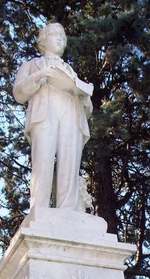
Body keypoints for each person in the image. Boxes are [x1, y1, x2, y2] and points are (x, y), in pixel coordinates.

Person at [13, 23, 93, 211]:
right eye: (54, 35)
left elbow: (88, 108)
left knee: (70, 166)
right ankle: (38, 209)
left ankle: (67, 210)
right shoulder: (32, 65)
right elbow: (18, 92)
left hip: (71, 114)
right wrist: (39, 76)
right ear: (43, 40)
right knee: (43, 163)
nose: (59, 39)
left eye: (62, 37)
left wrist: (85, 96)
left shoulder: (71, 71)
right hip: (45, 112)